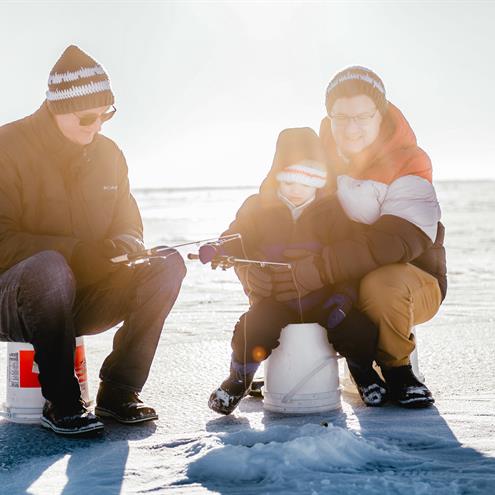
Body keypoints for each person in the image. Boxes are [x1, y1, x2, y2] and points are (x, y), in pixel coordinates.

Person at [0, 45, 186, 435]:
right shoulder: (8, 148)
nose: (98, 125)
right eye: (88, 117)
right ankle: (63, 403)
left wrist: (123, 246)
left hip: (81, 299)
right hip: (14, 299)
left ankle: (119, 394)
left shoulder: (109, 155)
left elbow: (128, 220)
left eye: (107, 115)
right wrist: (77, 253)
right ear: (55, 108)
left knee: (166, 263)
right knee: (49, 268)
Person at [271, 66, 446, 408]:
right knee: (277, 261)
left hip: (412, 280)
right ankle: (288, 360)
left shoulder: (410, 160)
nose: (351, 127)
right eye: (341, 117)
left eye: (362, 116)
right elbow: (275, 200)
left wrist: (321, 268)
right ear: (330, 117)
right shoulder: (317, 157)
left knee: (381, 284)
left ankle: (398, 370)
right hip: (340, 276)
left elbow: (399, 239)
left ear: (380, 114)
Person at [200, 127, 385, 415]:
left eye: (308, 178)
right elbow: (236, 237)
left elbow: (347, 257)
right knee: (253, 327)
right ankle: (239, 378)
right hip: (276, 298)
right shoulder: (257, 207)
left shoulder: (333, 211)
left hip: (324, 298)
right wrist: (219, 249)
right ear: (277, 173)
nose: (297, 188)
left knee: (357, 328)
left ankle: (364, 375)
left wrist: (343, 297)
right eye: (289, 178)